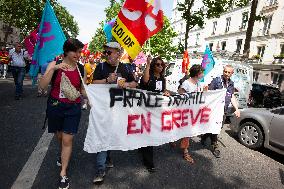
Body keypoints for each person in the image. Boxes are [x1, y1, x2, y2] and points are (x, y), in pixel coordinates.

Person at [39, 38, 85, 189]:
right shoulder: (54, 64)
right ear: (66, 51)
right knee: (59, 136)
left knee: (67, 140)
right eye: (75, 51)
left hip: (73, 108)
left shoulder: (81, 68)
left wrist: (92, 98)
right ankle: (62, 153)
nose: (78, 54)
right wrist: (54, 68)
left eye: (80, 51)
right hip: (55, 106)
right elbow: (42, 86)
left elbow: (83, 89)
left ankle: (63, 173)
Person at [92, 42, 137, 183]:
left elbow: (135, 83)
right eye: (106, 52)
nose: (107, 55)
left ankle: (108, 156)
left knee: (110, 135)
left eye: (110, 52)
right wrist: (107, 80)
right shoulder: (101, 66)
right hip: (102, 108)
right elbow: (93, 83)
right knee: (102, 136)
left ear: (118, 53)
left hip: (117, 109)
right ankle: (100, 169)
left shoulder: (124, 68)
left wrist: (127, 84)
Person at [201, 64, 240, 158]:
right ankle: (215, 146)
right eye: (225, 71)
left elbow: (231, 96)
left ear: (232, 73)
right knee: (216, 128)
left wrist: (237, 108)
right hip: (214, 109)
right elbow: (209, 93)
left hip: (224, 110)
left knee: (218, 127)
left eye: (228, 72)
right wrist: (205, 90)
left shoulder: (231, 84)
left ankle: (204, 137)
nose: (226, 74)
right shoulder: (217, 80)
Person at [139, 55, 170, 172]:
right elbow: (145, 81)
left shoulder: (162, 79)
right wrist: (147, 63)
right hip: (145, 109)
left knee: (149, 133)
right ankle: (149, 163)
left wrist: (165, 92)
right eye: (157, 64)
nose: (160, 66)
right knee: (148, 134)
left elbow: (162, 91)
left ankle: (142, 147)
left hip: (156, 111)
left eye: (162, 64)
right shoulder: (149, 76)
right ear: (153, 66)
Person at [177, 65, 204, 164]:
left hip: (193, 112)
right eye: (202, 72)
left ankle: (174, 140)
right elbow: (180, 94)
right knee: (187, 132)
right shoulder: (186, 83)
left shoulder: (198, 83)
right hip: (185, 112)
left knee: (185, 131)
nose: (203, 74)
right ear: (198, 74)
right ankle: (185, 152)